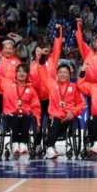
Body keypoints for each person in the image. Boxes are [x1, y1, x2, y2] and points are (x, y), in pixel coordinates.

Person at [37, 51, 86, 159]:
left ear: (69, 74)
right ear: (57, 74)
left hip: (69, 119)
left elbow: (82, 104)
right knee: (54, 120)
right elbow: (41, 71)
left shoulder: (74, 87)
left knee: (57, 122)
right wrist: (42, 58)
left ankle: (48, 143)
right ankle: (49, 148)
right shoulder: (51, 84)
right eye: (60, 72)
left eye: (65, 72)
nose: (63, 74)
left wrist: (73, 113)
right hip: (55, 117)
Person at [0, 59, 41, 155]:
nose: (21, 74)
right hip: (10, 114)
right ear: (15, 73)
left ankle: (23, 143)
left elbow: (36, 107)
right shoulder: (7, 84)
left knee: (27, 117)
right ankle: (14, 144)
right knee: (15, 117)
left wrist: (37, 124)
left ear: (27, 74)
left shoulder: (31, 90)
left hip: (24, 115)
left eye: (24, 71)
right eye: (19, 71)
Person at [0, 19, 21, 155]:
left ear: (13, 50)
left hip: (12, 94)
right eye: (5, 48)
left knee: (14, 117)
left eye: (10, 48)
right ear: (2, 49)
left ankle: (15, 143)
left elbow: (22, 77)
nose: (8, 50)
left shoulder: (17, 61)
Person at [29, 23, 62, 154]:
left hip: (50, 98)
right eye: (37, 51)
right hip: (37, 99)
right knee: (37, 123)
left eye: (41, 50)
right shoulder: (31, 66)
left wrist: (59, 31)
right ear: (34, 53)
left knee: (51, 123)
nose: (39, 52)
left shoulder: (52, 61)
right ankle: (37, 144)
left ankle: (50, 145)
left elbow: (58, 46)